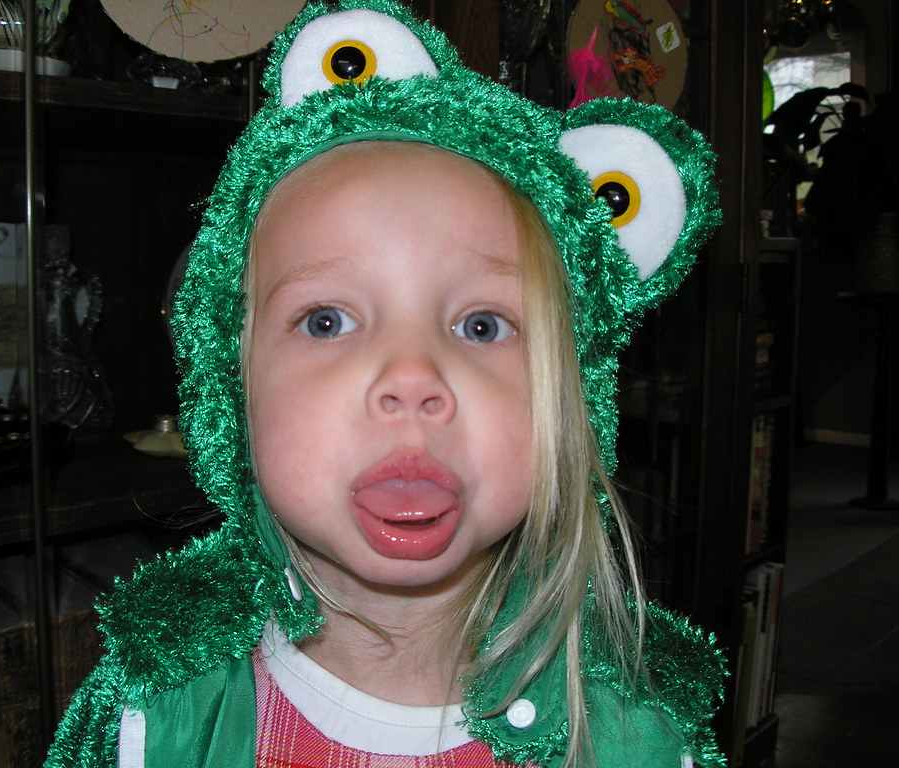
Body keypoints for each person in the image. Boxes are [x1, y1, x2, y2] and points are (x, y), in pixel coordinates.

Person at [45, 2, 724, 766]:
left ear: (569, 400)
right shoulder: (161, 724)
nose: (411, 380)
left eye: (482, 326)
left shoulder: (641, 742)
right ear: (231, 389)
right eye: (328, 320)